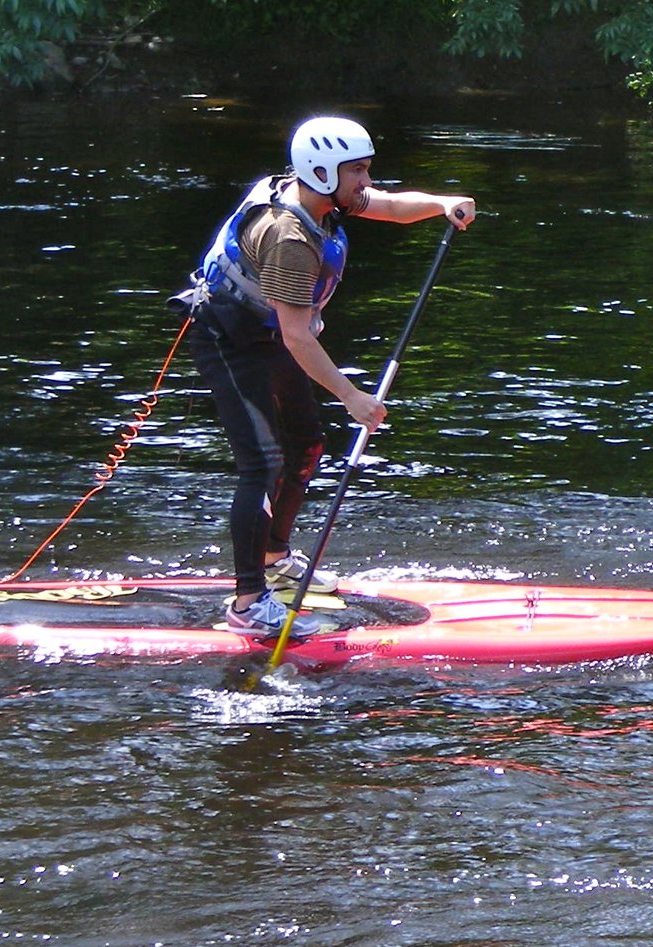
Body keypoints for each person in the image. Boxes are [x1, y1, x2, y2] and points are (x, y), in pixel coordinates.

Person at [171, 116, 476, 638]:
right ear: (322, 170)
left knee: (306, 447)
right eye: (357, 170)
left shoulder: (323, 199)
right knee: (263, 463)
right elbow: (297, 336)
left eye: (365, 169)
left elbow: (388, 207)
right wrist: (352, 396)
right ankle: (247, 604)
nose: (365, 181)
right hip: (230, 340)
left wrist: (441, 203)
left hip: (270, 338)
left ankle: (274, 557)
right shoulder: (289, 237)